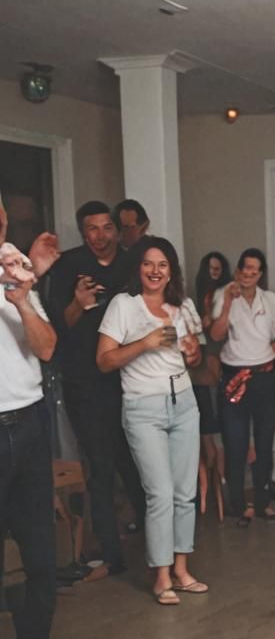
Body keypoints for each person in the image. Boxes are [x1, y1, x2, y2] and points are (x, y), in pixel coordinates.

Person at [1, 216, 88, 639]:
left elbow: (48, 345)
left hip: (30, 423)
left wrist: (22, 297)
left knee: (40, 554)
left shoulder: (15, 262)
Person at [97, 237, 207, 605]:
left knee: (184, 493)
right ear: (138, 268)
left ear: (171, 270)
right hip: (143, 408)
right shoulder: (123, 306)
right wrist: (143, 343)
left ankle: (181, 569)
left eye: (163, 265)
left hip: (184, 404)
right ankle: (161, 576)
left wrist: (192, 354)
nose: (155, 271)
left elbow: (195, 358)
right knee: (159, 492)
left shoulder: (184, 306)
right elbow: (104, 361)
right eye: (148, 264)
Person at [45, 201, 146, 573]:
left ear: (117, 230)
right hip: (84, 384)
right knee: (100, 466)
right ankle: (110, 552)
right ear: (82, 231)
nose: (101, 236)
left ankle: (156, 543)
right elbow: (54, 330)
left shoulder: (132, 263)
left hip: (132, 378)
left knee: (136, 460)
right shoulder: (67, 266)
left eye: (107, 228)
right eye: (92, 229)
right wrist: (77, 303)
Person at [209, 248, 275, 526]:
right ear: (238, 270)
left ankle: (264, 503)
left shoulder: (271, 299)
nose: (250, 273)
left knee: (264, 444)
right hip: (233, 378)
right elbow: (216, 335)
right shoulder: (223, 294)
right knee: (236, 445)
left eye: (256, 269)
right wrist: (228, 302)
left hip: (264, 378)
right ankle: (240, 506)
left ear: (261, 273)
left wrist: (273, 350)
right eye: (246, 268)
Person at [192, 252, 232, 516]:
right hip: (197, 371)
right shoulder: (195, 300)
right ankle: (203, 496)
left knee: (214, 435)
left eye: (218, 268)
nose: (214, 272)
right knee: (200, 436)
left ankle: (218, 492)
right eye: (210, 268)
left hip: (218, 364)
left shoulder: (227, 294)